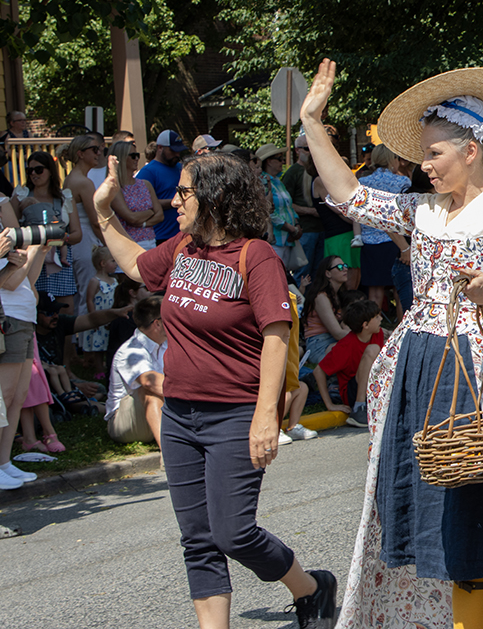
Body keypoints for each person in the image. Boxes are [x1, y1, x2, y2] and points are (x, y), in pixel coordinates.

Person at [300, 60, 483, 629]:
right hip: (422, 360)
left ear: (472, 150)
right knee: (429, 505)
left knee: (479, 503)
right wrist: (311, 122)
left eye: (435, 154)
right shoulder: (422, 212)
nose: (424, 165)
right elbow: (347, 193)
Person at [93, 149, 338, 628]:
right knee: (198, 538)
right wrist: (103, 212)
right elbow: (137, 267)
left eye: (184, 192)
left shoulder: (256, 255)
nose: (174, 202)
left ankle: (311, 587)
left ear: (215, 196)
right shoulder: (183, 247)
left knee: (233, 533)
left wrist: (266, 415)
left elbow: (275, 334)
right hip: (181, 415)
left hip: (234, 415)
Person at [0, 197, 47, 490]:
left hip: (24, 316)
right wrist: (28, 249)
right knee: (4, 398)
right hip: (11, 318)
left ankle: (4, 462)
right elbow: (10, 282)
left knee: (16, 399)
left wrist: (40, 248)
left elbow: (27, 279)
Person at [20, 150, 82, 315]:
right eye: (29, 170)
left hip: (60, 258)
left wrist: (62, 237)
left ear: (50, 171)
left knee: (65, 310)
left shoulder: (64, 198)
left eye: (38, 170)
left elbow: (77, 234)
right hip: (31, 257)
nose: (33, 174)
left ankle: (65, 341)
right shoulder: (21, 195)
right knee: (33, 307)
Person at [354, 144, 409, 316]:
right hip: (395, 241)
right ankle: (401, 332)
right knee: (399, 291)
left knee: (375, 292)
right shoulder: (403, 182)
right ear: (392, 159)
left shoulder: (362, 183)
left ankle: (372, 332)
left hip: (370, 242)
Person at [104, 295, 167, 446]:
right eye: (171, 317)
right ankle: (167, 453)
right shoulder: (130, 351)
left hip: (156, 413)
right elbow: (150, 382)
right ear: (157, 324)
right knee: (148, 391)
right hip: (123, 424)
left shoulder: (167, 344)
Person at [311, 298, 383, 427]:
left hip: (373, 384)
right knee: (373, 349)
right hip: (353, 392)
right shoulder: (346, 345)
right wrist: (330, 405)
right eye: (377, 317)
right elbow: (318, 371)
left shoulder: (378, 333)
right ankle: (359, 407)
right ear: (365, 325)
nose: (381, 319)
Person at [64, 134, 107, 318]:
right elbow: (95, 221)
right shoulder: (83, 182)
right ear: (81, 154)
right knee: (87, 295)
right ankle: (86, 343)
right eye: (94, 149)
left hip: (78, 243)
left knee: (81, 294)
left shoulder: (71, 178)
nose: (99, 153)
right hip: (86, 241)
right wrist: (108, 244)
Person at [282, 134, 324, 284]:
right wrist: (310, 211)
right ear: (297, 151)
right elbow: (287, 203)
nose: (310, 152)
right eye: (307, 149)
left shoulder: (319, 171)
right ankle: (301, 305)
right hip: (305, 230)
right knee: (303, 272)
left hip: (322, 228)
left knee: (319, 272)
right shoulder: (293, 173)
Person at [256, 143, 303, 273]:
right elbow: (268, 211)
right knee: (276, 274)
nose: (283, 161)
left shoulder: (278, 181)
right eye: (279, 158)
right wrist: (291, 228)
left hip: (288, 239)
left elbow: (289, 206)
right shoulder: (262, 181)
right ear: (269, 162)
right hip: (276, 240)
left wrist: (297, 224)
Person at [108, 139, 162, 250]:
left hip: (150, 241)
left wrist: (142, 223)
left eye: (137, 155)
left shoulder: (145, 184)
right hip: (128, 244)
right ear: (121, 158)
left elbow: (160, 215)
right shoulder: (115, 187)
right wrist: (150, 212)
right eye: (133, 156)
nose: (137, 159)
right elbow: (131, 218)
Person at [299, 256, 351, 367]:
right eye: (340, 267)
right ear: (328, 274)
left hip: (334, 339)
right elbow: (337, 333)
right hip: (319, 343)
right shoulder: (321, 297)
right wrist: (365, 336)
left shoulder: (338, 295)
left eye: (345, 265)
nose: (345, 269)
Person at [136, 129, 185, 245]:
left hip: (182, 234)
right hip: (161, 236)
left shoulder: (181, 168)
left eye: (179, 151)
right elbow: (143, 204)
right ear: (160, 148)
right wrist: (176, 201)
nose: (177, 155)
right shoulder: (148, 172)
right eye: (173, 151)